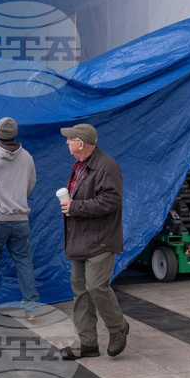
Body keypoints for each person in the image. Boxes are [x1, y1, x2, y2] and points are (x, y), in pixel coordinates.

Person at [58, 123, 130, 359]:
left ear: (81, 143)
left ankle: (118, 327)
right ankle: (87, 343)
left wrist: (76, 206)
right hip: (81, 238)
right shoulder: (80, 166)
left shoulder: (106, 166)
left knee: (96, 286)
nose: (66, 142)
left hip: (100, 240)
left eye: (70, 139)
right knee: (80, 292)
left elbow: (112, 200)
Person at [0, 117, 39, 322]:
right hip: (21, 220)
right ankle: (31, 309)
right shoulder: (27, 156)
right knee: (24, 263)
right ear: (15, 133)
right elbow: (31, 184)